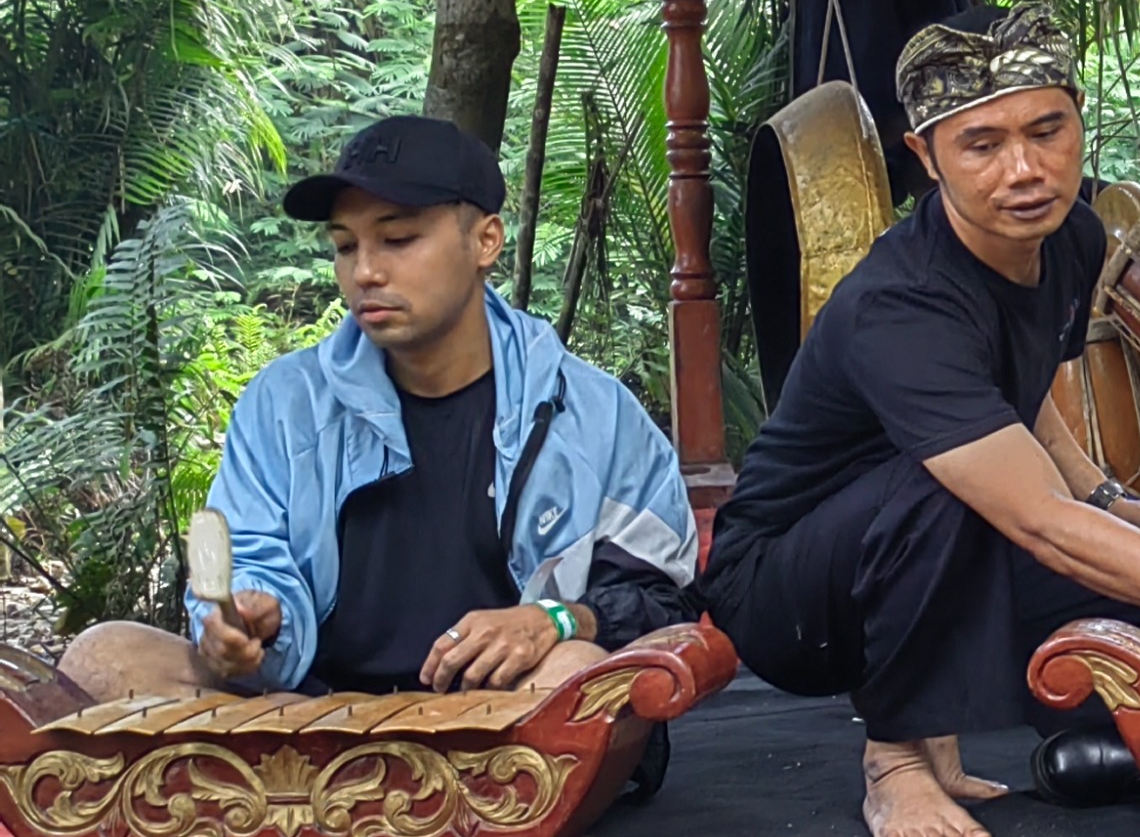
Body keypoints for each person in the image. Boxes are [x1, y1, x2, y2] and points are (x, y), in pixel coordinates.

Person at [703, 12, 1140, 837]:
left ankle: (1134, 746)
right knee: (950, 483)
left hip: (943, 541)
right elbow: (1033, 517)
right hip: (792, 595)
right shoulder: (902, 306)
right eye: (982, 146)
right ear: (926, 156)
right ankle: (894, 756)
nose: (1025, 169)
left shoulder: (1071, 237)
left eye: (1048, 131)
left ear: (1079, 119)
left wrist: (1114, 501)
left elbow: (1025, 386)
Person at [56, 114, 698, 708]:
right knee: (104, 657)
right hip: (315, 716)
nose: (364, 271)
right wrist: (246, 623)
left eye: (397, 239)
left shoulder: (590, 414)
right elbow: (248, 562)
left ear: (485, 241)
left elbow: (664, 602)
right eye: (344, 246)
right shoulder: (284, 405)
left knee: (572, 674)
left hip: (497, 714)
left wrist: (555, 619)